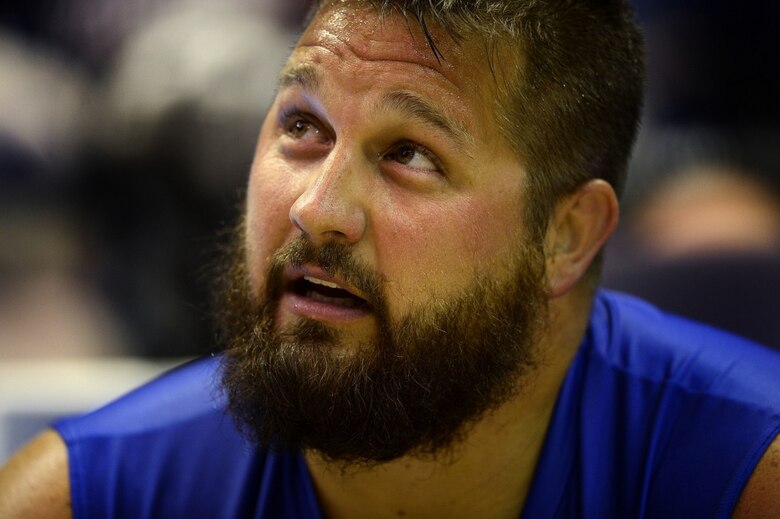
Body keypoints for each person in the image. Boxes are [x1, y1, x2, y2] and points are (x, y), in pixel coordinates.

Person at [2, 0, 780, 517]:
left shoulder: (749, 478)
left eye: (409, 153)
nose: (316, 209)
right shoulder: (78, 500)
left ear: (568, 235)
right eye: (303, 127)